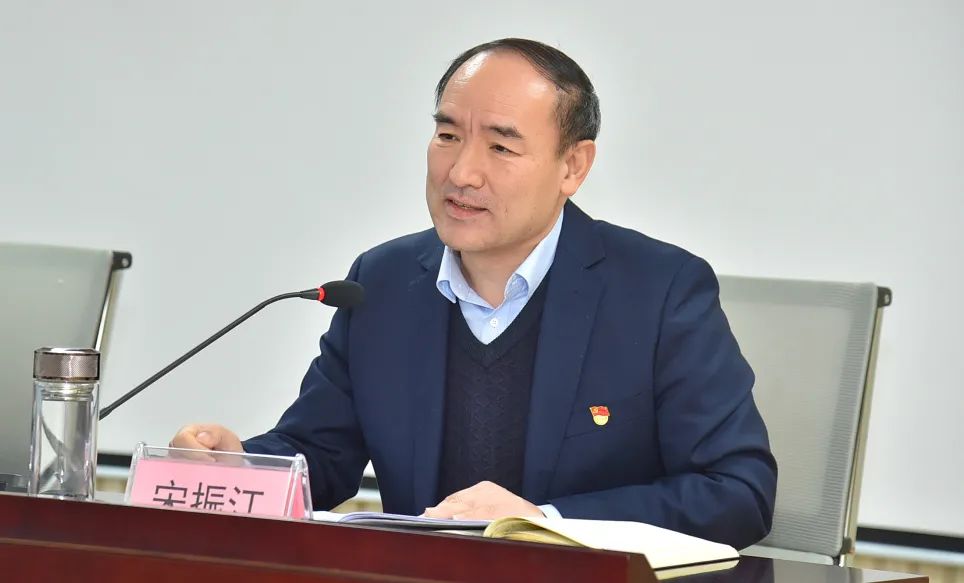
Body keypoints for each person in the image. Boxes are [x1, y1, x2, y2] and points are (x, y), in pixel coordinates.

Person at [171, 38, 777, 548]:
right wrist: (238, 466)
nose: (461, 173)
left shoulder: (658, 291)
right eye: (447, 135)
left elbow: (737, 492)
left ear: (573, 166)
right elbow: (320, 452)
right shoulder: (383, 282)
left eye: (501, 146)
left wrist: (543, 523)